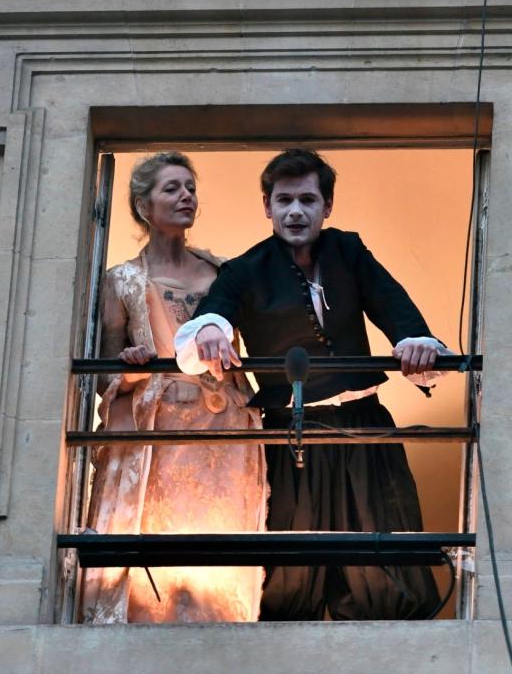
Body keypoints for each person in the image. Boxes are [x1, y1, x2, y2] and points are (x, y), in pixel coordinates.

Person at [174, 148, 448, 621]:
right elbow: (210, 318)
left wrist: (415, 342)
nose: (295, 211)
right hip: (288, 435)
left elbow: (394, 306)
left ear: (327, 206)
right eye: (283, 200)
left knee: (380, 564)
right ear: (267, 206)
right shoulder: (244, 269)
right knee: (289, 577)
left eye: (307, 199)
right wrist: (212, 329)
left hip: (364, 430)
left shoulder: (349, 251)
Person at [81, 151, 266, 625]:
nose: (186, 196)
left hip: (223, 426)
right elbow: (101, 373)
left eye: (190, 187)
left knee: (216, 565)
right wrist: (131, 369)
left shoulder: (225, 270)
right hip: (159, 431)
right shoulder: (121, 280)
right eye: (172, 188)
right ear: (144, 205)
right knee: (155, 569)